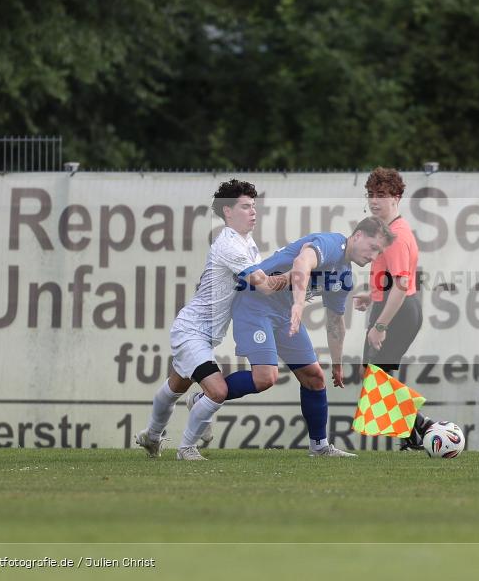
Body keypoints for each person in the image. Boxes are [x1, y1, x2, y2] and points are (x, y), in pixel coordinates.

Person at [134, 180, 288, 461]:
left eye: (254, 206)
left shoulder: (247, 243)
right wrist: (296, 277)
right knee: (218, 391)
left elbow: (257, 287)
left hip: (205, 336)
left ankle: (151, 436)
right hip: (191, 331)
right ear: (227, 211)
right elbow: (264, 286)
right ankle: (186, 449)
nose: (253, 211)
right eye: (245, 206)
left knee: (175, 387)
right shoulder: (230, 245)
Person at [227, 215, 396, 457]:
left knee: (315, 377)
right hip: (256, 303)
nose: (374, 256)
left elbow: (335, 321)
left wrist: (337, 363)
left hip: (283, 312)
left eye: (379, 252)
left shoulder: (344, 275)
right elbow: (302, 261)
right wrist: (299, 303)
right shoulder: (333, 244)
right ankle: (210, 394)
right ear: (358, 235)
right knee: (265, 377)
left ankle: (319, 447)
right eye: (373, 247)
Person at [352, 167, 436, 450]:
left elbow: (401, 285)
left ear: (396, 197)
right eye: (371, 194)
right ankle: (412, 438)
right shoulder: (389, 231)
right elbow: (393, 280)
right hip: (395, 306)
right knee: (376, 377)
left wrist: (380, 325)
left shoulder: (396, 235)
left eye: (381, 195)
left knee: (374, 378)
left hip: (397, 313)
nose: (374, 201)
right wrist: (373, 295)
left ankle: (425, 427)